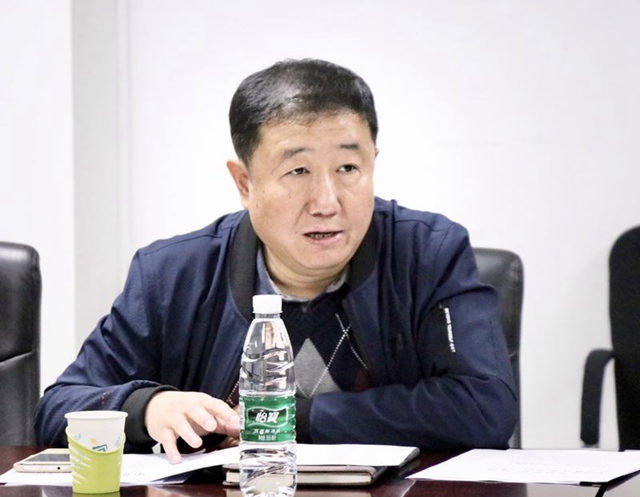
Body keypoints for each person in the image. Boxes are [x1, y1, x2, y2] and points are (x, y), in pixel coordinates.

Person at [35, 58, 518, 464]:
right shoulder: (172, 275)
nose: (327, 201)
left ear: (374, 161)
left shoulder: (428, 254)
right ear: (244, 183)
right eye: (298, 170)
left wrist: (288, 419)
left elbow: (485, 407)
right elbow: (58, 409)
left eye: (348, 168)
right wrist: (147, 407)